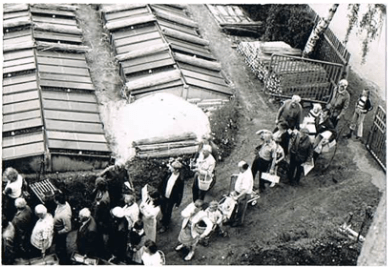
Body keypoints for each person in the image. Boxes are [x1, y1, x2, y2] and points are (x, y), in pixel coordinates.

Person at [158, 160, 185, 233]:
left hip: (171, 199)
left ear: (176, 170)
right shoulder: (168, 174)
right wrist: (159, 191)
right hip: (164, 195)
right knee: (162, 208)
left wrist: (178, 203)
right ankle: (164, 218)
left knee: (168, 211)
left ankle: (165, 225)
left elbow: (180, 192)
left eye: (172, 167)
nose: (170, 168)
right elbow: (163, 182)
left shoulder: (180, 180)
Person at [231, 161, 254, 227]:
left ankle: (239, 222)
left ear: (242, 168)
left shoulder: (247, 177)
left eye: (239, 168)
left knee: (241, 208)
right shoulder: (244, 170)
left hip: (243, 194)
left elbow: (245, 190)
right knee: (235, 205)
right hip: (238, 192)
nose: (239, 169)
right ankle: (232, 219)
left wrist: (238, 196)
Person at [53, 192, 72, 264]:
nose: (53, 200)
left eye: (54, 199)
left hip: (61, 232)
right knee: (58, 245)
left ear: (57, 201)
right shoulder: (62, 204)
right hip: (58, 229)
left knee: (61, 246)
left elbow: (68, 228)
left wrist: (59, 232)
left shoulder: (65, 214)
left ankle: (64, 261)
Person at [91, 177, 110, 247]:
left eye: (96, 185)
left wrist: (99, 220)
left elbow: (104, 211)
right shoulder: (100, 191)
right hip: (97, 212)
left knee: (99, 231)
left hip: (100, 217)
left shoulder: (104, 199)